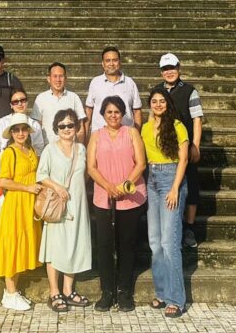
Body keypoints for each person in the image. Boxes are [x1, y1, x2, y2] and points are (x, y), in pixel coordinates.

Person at [86, 96, 146, 312]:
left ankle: (124, 291)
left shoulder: (132, 133)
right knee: (104, 246)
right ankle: (107, 291)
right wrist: (108, 186)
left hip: (129, 197)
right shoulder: (96, 135)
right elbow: (91, 166)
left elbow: (141, 163)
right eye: (109, 112)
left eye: (117, 112)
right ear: (103, 114)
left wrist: (123, 185)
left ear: (123, 114)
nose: (113, 115)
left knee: (126, 246)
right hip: (104, 197)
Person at [36, 108, 92, 313]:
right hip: (57, 205)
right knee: (55, 246)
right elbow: (41, 175)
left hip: (77, 204)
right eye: (62, 126)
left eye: (70, 125)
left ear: (77, 127)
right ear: (56, 129)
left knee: (74, 244)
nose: (67, 129)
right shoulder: (50, 150)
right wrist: (58, 187)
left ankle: (68, 290)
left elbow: (86, 175)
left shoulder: (82, 149)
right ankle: (54, 292)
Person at [143, 88, 189, 318]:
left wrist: (174, 189)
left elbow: (184, 159)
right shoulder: (144, 128)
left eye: (162, 101)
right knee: (155, 241)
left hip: (172, 179)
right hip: (151, 180)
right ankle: (161, 292)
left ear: (168, 103)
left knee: (169, 242)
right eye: (154, 101)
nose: (158, 104)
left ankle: (176, 299)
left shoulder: (178, 126)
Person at [0, 114, 43, 311]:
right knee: (13, 244)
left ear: (28, 131)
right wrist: (27, 188)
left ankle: (12, 291)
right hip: (16, 202)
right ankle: (10, 292)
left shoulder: (30, 150)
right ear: (11, 133)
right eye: (16, 130)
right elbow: (2, 181)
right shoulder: (10, 152)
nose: (20, 133)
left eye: (23, 129)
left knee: (23, 243)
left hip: (29, 204)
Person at [152, 52, 204, 249]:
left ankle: (189, 227)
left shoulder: (190, 91)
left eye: (172, 67)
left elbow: (197, 120)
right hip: (163, 149)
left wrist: (195, 146)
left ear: (179, 67)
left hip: (185, 146)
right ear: (161, 71)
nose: (169, 72)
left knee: (190, 186)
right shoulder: (157, 91)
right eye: (165, 69)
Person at [0, 89, 46, 242]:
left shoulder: (34, 125)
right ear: (11, 105)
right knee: (3, 221)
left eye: (23, 100)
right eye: (16, 101)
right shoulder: (2, 123)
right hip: (6, 176)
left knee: (27, 224)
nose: (20, 103)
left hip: (29, 180)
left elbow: (38, 153)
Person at [84, 47, 142, 133]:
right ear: (102, 63)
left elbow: (137, 111)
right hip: (100, 137)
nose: (111, 64)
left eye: (115, 60)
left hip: (126, 136)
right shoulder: (95, 82)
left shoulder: (130, 83)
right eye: (108, 60)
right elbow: (89, 110)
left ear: (120, 62)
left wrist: (136, 135)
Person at [31, 62, 87, 144]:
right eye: (55, 76)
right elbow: (36, 126)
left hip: (70, 148)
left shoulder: (74, 97)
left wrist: (79, 148)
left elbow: (80, 127)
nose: (58, 80)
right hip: (48, 148)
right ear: (49, 79)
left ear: (66, 78)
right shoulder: (41, 98)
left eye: (61, 76)